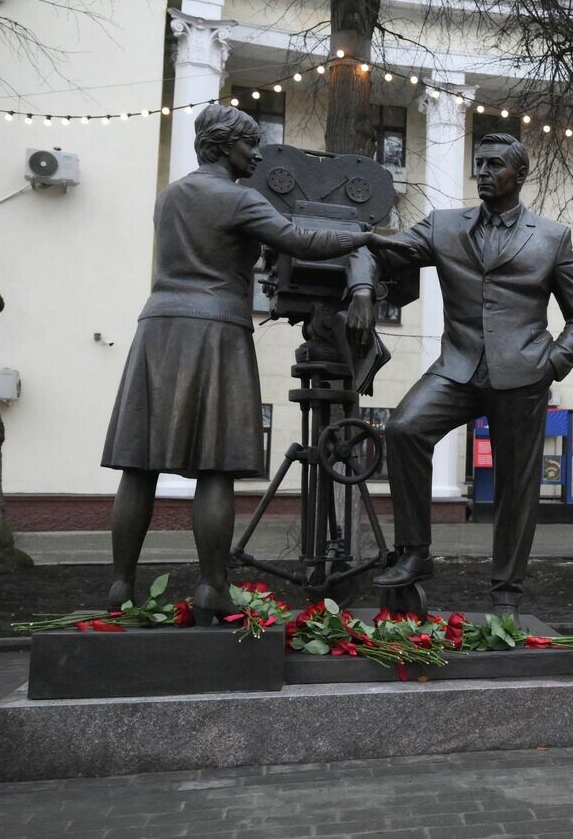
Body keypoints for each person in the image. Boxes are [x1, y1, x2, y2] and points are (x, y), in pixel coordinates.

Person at [101, 105, 413, 624]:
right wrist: (365, 236)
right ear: (225, 147)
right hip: (216, 329)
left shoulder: (171, 195)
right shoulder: (240, 199)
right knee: (215, 467)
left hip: (157, 327)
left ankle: (119, 584)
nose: (259, 152)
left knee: (138, 464)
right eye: (250, 143)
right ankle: (212, 587)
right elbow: (302, 239)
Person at [345, 133, 573, 613]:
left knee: (515, 487)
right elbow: (377, 248)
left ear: (519, 176)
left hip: (524, 375)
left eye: (494, 165)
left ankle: (506, 594)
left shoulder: (551, 237)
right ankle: (416, 553)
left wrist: (553, 364)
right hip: (458, 368)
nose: (482, 171)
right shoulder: (443, 226)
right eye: (478, 163)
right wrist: (361, 289)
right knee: (403, 429)